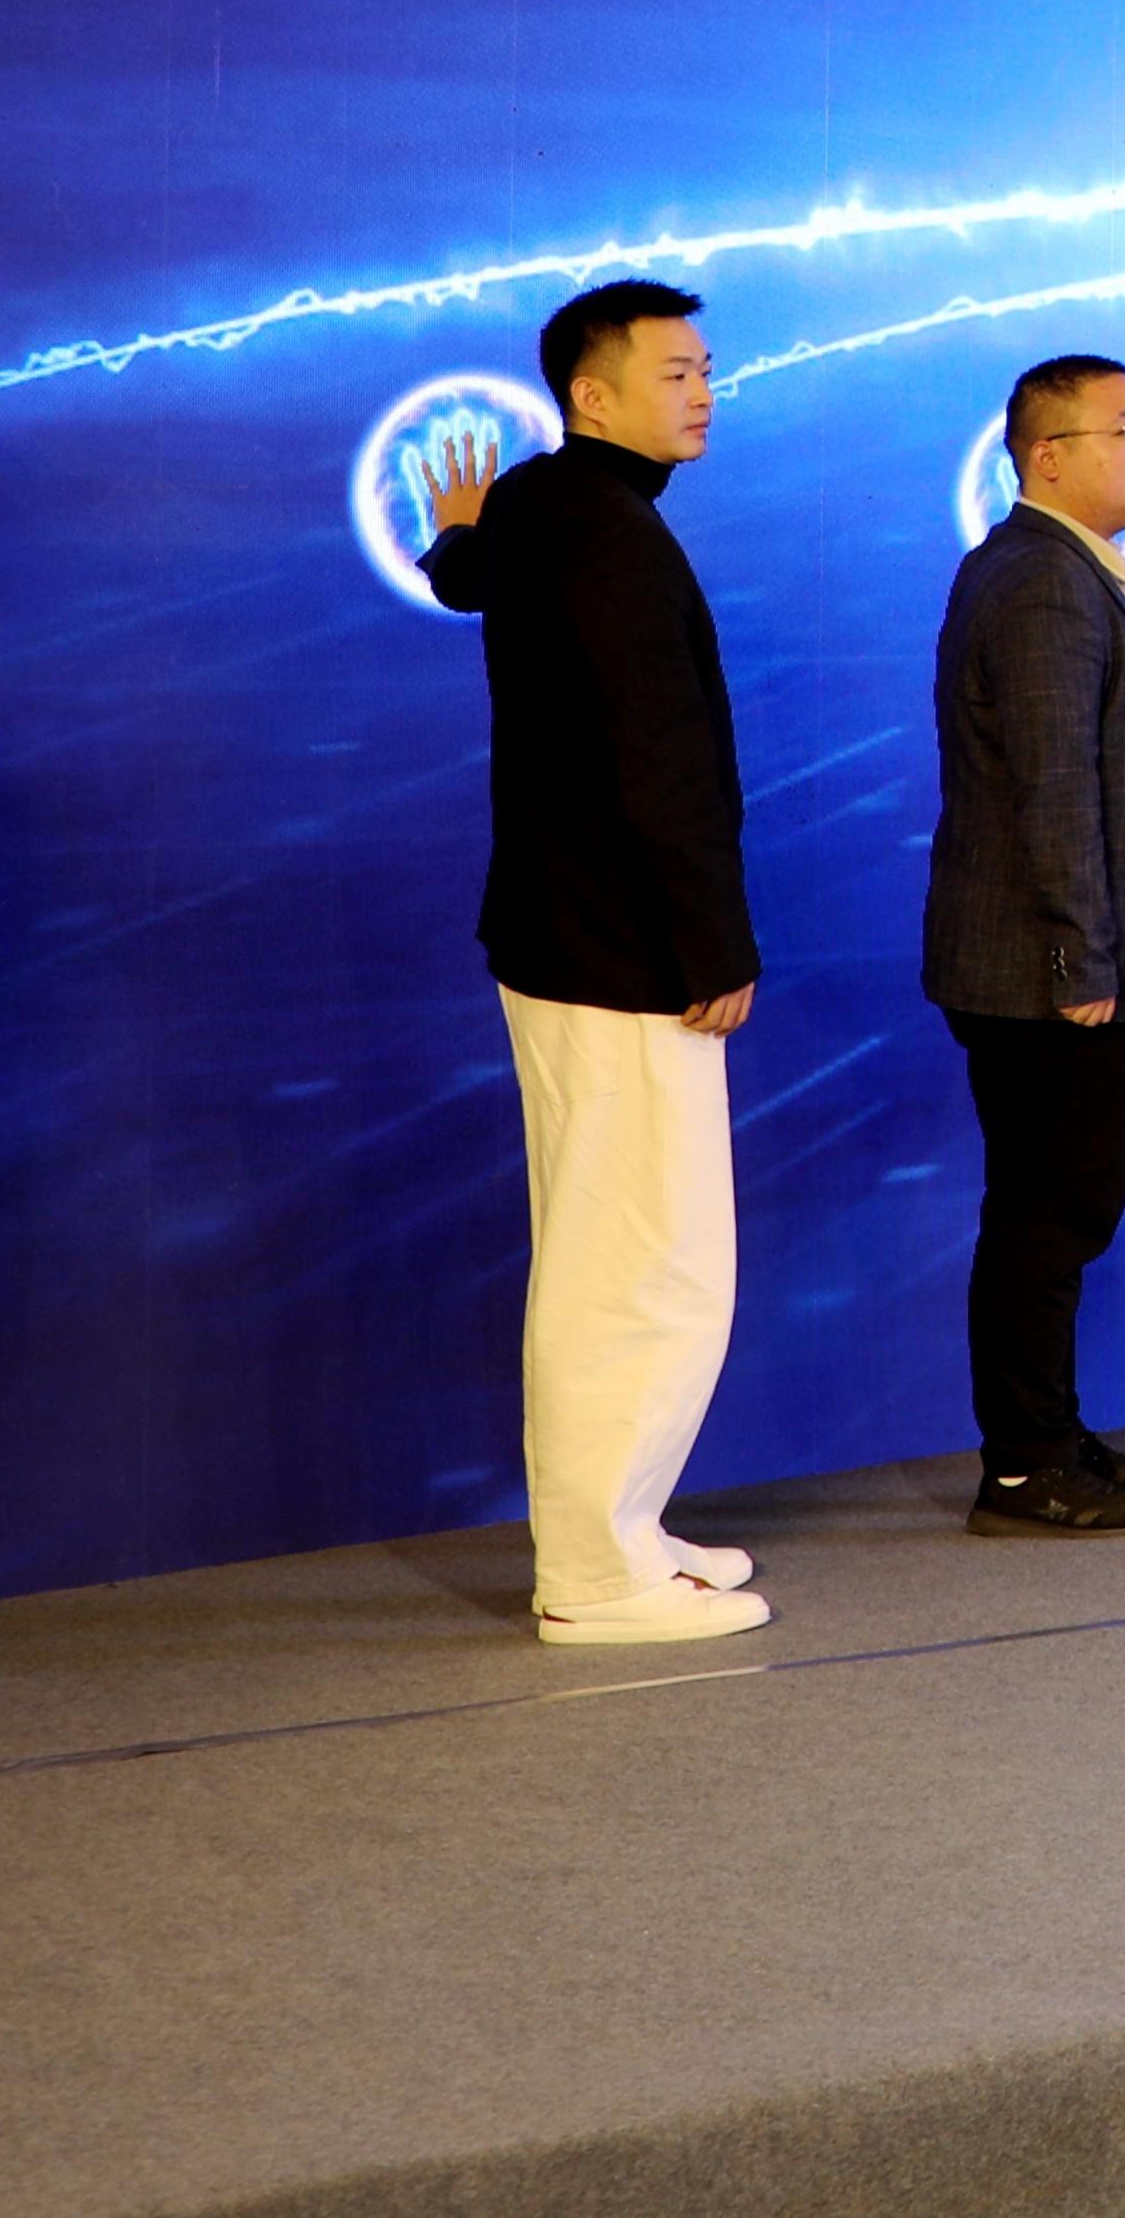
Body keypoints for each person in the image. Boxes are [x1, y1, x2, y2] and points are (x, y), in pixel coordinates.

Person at [419, 278, 771, 1644]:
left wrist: (456, 538)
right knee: (641, 1264)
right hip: (622, 948)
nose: (702, 391)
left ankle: (626, 1525)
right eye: (674, 370)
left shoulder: (541, 504)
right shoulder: (606, 528)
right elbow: (656, 756)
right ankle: (596, 1573)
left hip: (566, 935)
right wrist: (712, 940)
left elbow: (475, 579)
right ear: (591, 393)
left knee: (617, 1246)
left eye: (706, 368)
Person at [920, 354, 1125, 1538]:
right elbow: (1052, 788)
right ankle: (1025, 1463)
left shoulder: (1050, 567)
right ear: (1046, 456)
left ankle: (1050, 1428)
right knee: (1046, 1214)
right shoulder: (1042, 580)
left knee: (1056, 1208)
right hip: (1047, 973)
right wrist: (1081, 961)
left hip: (1045, 962)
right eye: (1124, 429)